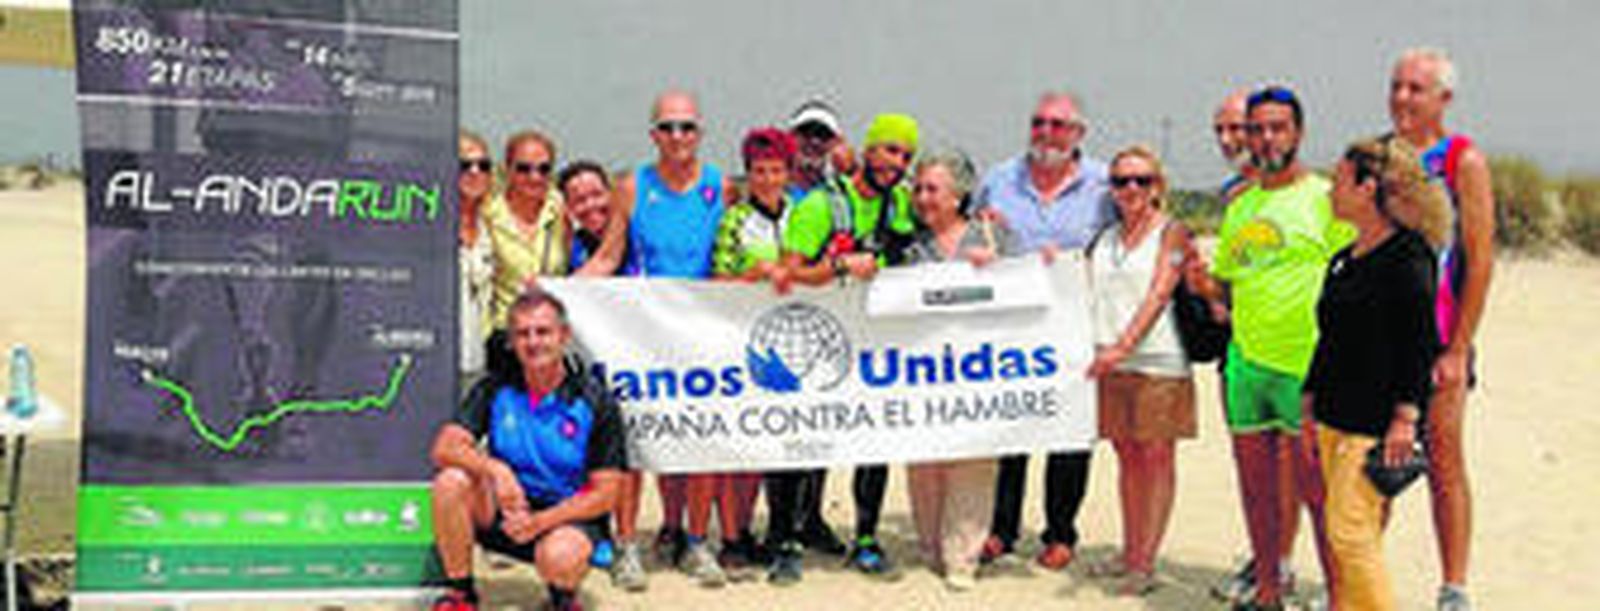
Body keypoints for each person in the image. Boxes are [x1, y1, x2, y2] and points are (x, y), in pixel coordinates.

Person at [1190, 85, 1350, 610]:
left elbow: (1354, 278)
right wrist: (1200, 283)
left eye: (1277, 127)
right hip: (1246, 366)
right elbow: (1230, 285)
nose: (1265, 138)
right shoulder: (1242, 204)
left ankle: (1339, 595)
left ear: (1298, 133)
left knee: (1320, 494)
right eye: (1256, 128)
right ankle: (1267, 591)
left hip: (1307, 369)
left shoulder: (1327, 198)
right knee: (1257, 494)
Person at [1303, 136, 1447, 611]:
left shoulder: (1409, 256)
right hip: (1332, 415)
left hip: (1375, 422)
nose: (1329, 191)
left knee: (1350, 534)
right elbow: (1329, 339)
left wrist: (1406, 417)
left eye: (1339, 182)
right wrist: (1308, 401)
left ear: (1368, 187)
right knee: (1344, 531)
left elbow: (1419, 344)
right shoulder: (1344, 258)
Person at [972, 91, 1112, 570]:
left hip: (1075, 326)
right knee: (1010, 429)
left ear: (1078, 134)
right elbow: (971, 238)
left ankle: (1060, 532)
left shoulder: (1104, 184)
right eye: (1038, 123)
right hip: (1011, 327)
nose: (1046, 133)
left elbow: (1121, 244)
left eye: (1057, 125)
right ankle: (1001, 530)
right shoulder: (997, 180)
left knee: (1069, 434)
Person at [783, 112, 921, 577]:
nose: (896, 163)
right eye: (889, 150)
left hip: (877, 343)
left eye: (905, 155)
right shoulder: (821, 206)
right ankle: (792, 534)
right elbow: (788, 273)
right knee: (810, 437)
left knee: (874, 439)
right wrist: (840, 268)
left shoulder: (900, 202)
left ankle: (866, 535)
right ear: (868, 148)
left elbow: (937, 230)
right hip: (822, 340)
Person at [429, 290, 627, 611]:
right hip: (506, 511)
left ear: (564, 336)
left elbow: (607, 494)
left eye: (543, 332)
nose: (533, 342)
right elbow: (444, 446)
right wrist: (496, 470)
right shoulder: (495, 387)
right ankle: (461, 594)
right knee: (451, 481)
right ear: (511, 341)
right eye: (523, 334)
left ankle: (561, 598)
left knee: (560, 557)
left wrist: (541, 521)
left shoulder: (595, 400)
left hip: (564, 518)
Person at [610, 89, 733, 587]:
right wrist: (558, 290)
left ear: (700, 133)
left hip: (702, 332)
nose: (678, 136)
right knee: (635, 443)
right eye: (667, 127)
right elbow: (609, 255)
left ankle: (697, 542)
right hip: (645, 333)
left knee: (701, 438)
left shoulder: (720, 185)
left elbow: (734, 256)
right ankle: (625, 546)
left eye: (687, 127)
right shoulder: (632, 186)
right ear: (653, 135)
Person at [1387, 47, 1495, 611]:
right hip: (1382, 340)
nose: (1403, 98)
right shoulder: (1379, 156)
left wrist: (1458, 347)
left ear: (1444, 98)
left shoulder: (1463, 161)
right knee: (1368, 460)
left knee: (1443, 459)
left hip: (1440, 338)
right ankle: (1363, 581)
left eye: (1416, 89)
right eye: (1397, 86)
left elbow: (1479, 258)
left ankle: (1454, 587)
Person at [1084, 145, 1197, 597]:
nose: (1131, 189)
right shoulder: (1104, 238)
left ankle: (1145, 561)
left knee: (1155, 458)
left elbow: (1159, 294)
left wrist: (1124, 344)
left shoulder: (1172, 232)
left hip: (1158, 363)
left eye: (1142, 180)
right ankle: (1129, 550)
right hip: (1109, 362)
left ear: (1158, 187)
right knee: (1126, 458)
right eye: (1122, 181)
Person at [900, 150, 1016, 592]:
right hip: (923, 373)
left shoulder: (993, 235)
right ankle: (930, 546)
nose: (923, 197)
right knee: (925, 460)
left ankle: (963, 555)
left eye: (933, 189)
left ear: (959, 195)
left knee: (974, 462)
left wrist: (999, 270)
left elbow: (1035, 284)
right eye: (919, 188)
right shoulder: (911, 247)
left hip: (980, 370)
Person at [1207, 88, 1302, 605]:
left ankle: (1284, 566)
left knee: (1302, 473)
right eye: (1221, 130)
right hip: (1242, 352)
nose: (1232, 139)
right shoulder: (1234, 198)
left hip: (1301, 359)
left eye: (1238, 128)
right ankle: (1265, 571)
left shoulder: (1317, 194)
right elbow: (1229, 278)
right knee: (1255, 475)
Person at [551, 160, 651, 593]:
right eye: (579, 199)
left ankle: (628, 541)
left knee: (631, 451)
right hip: (592, 364)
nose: (589, 204)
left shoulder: (630, 231)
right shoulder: (570, 243)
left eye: (596, 194)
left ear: (611, 193)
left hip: (640, 358)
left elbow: (609, 264)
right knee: (591, 452)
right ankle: (598, 531)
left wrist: (551, 291)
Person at [709, 127, 801, 580]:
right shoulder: (734, 220)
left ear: (788, 173)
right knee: (739, 447)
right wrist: (756, 274)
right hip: (741, 344)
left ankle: (781, 533)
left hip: (793, 344)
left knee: (782, 446)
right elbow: (716, 281)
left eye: (776, 170)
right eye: (759, 171)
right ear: (748, 175)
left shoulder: (802, 215)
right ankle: (733, 535)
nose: (767, 179)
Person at [486, 130, 570, 328]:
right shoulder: (487, 214)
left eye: (544, 169)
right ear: (507, 170)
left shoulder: (563, 210)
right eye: (524, 168)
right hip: (503, 333)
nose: (535, 177)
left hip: (551, 332)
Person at [459, 130, 496, 382]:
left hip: (478, 367)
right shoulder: (425, 225)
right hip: (431, 364)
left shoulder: (491, 227)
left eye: (483, 165)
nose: (475, 172)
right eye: (464, 165)